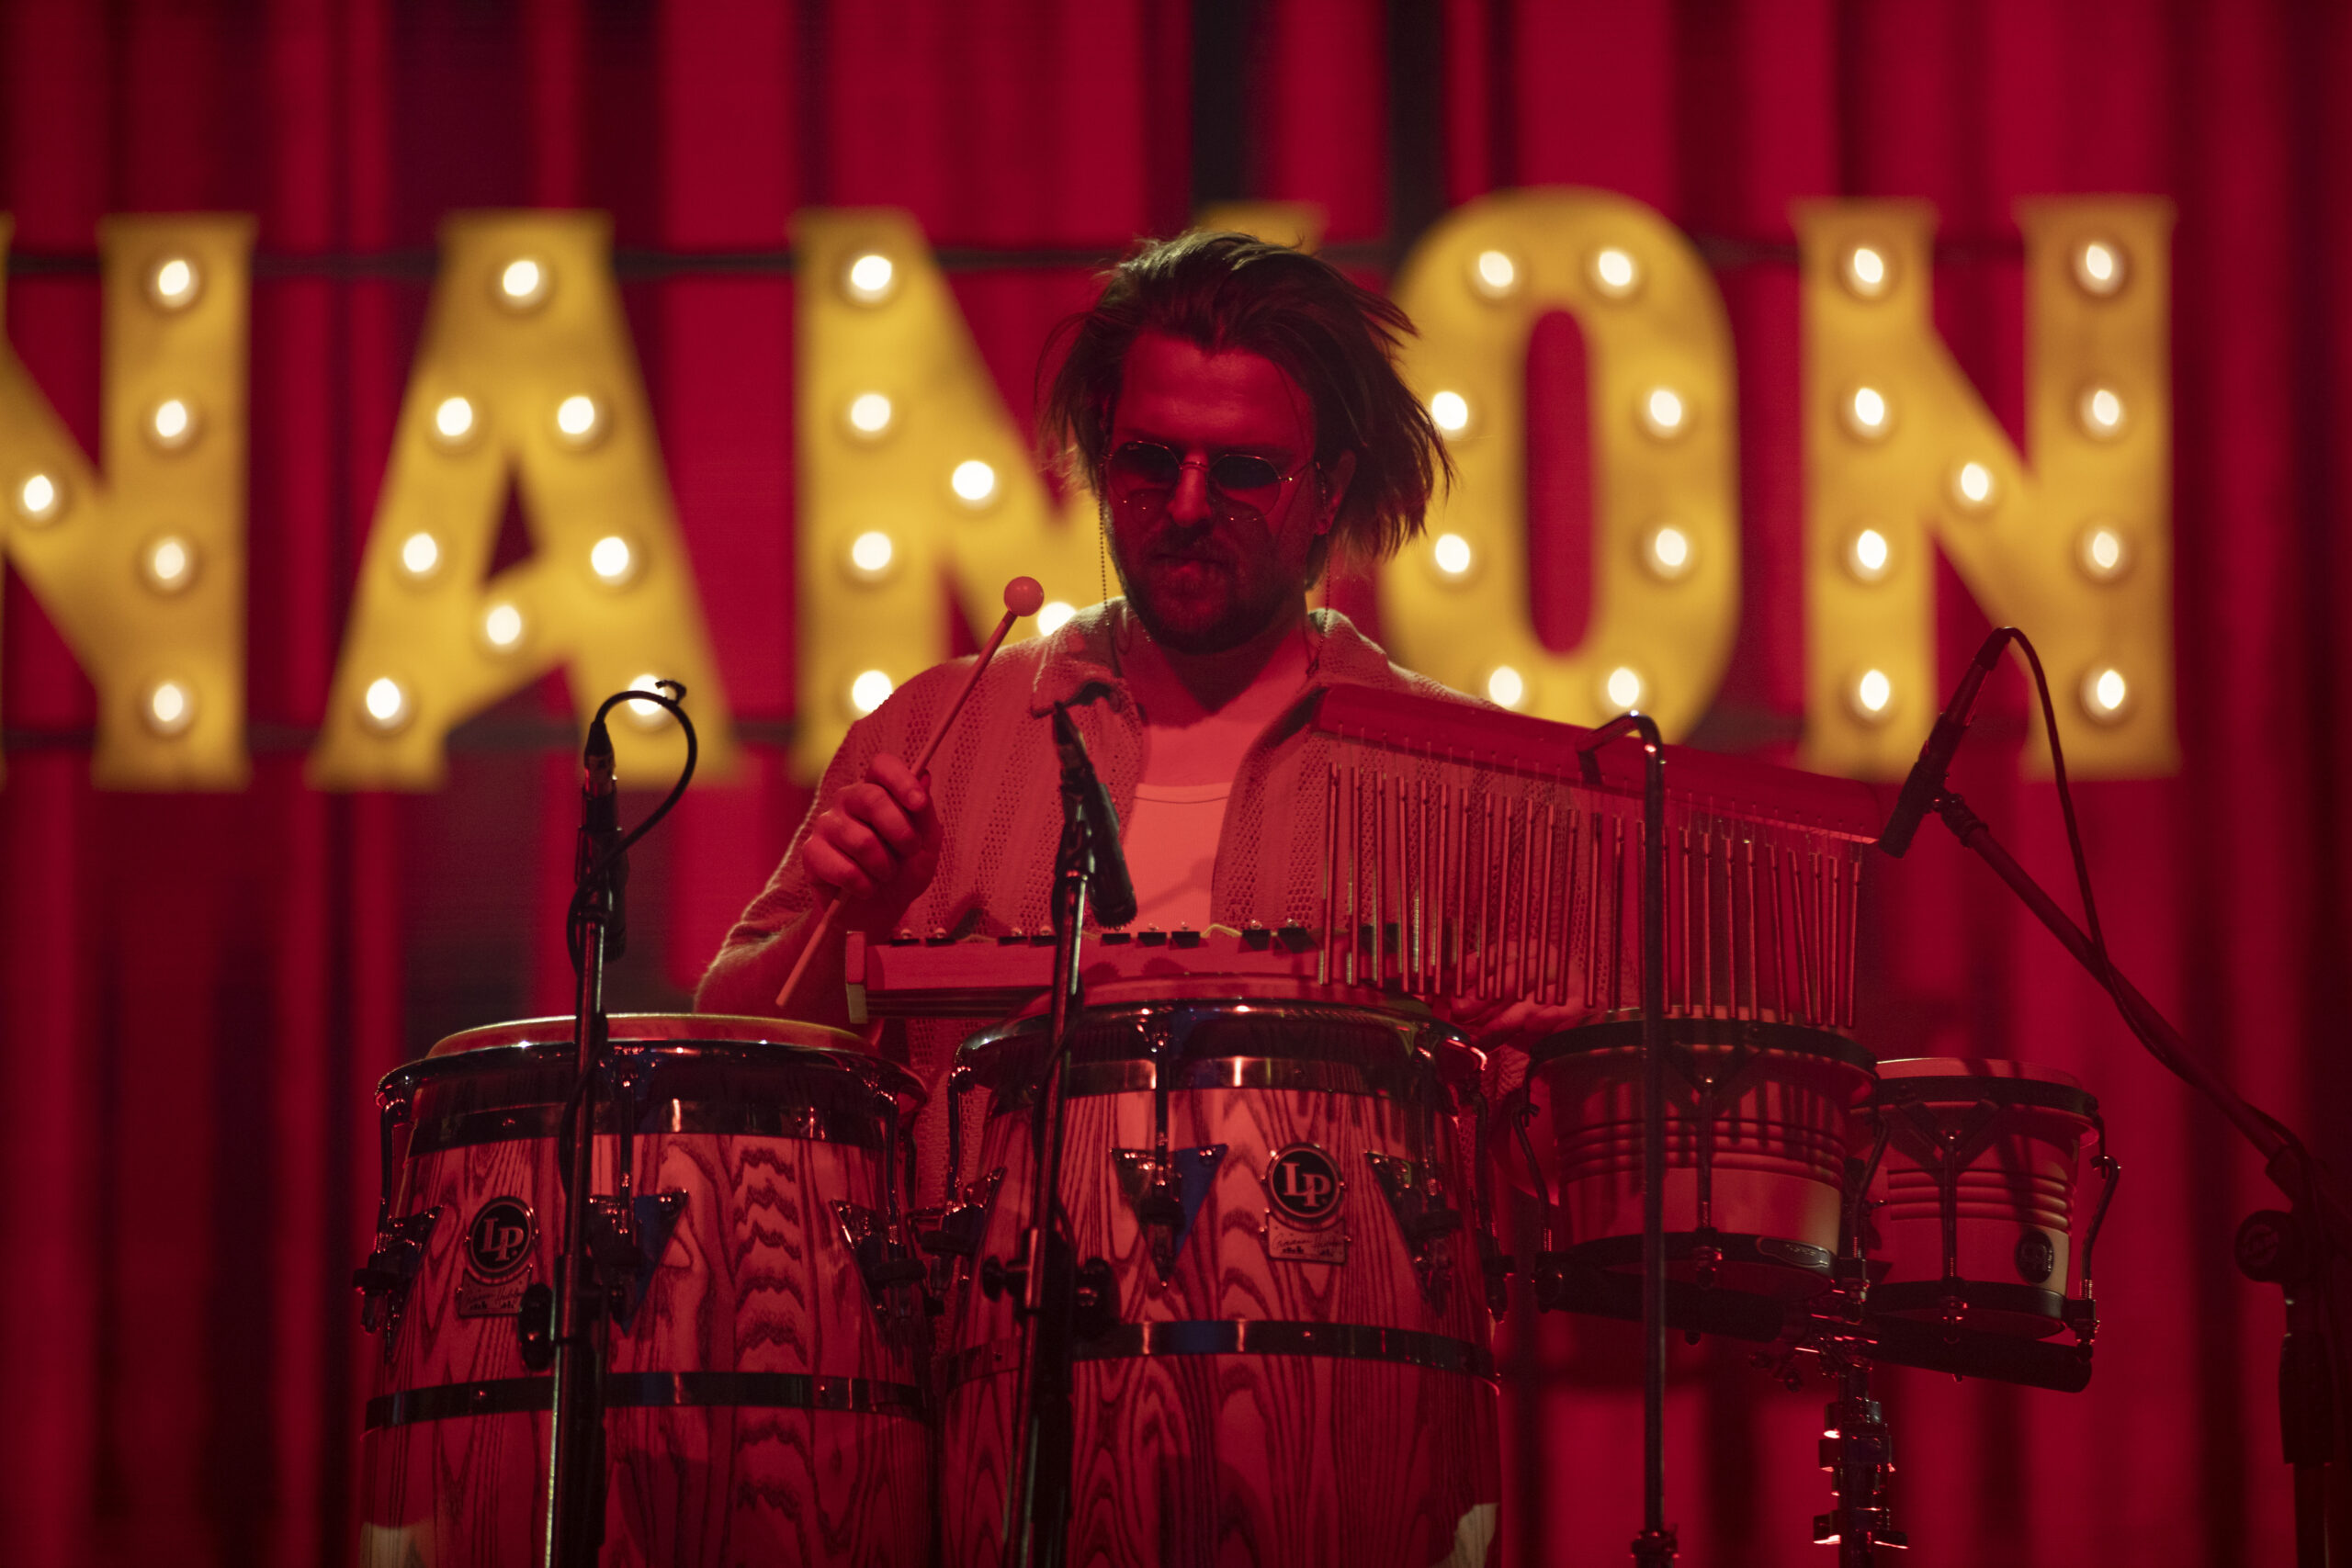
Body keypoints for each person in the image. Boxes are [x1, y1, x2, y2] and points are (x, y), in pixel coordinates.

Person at [696, 233, 1584, 1153]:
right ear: (1100, 451)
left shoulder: (1471, 783)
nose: (1189, 506)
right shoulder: (934, 731)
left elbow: (1582, 1177)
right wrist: (853, 920)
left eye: (1243, 470)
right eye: (1151, 460)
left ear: (1330, 492)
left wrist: (1557, 1063)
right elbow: (729, 1054)